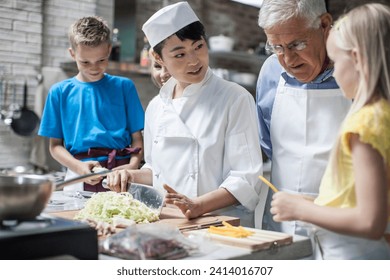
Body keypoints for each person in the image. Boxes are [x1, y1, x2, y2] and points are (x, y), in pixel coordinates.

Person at [106, 1, 265, 227]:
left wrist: (198, 205)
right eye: (180, 54)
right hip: (168, 221)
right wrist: (131, 176)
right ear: (159, 59)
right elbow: (155, 170)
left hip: (220, 224)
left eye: (198, 46)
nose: (194, 60)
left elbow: (246, 177)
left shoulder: (234, 98)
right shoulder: (156, 107)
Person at [270, 3, 390, 260]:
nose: (333, 71)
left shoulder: (365, 124)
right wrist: (311, 205)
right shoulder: (383, 114)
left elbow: (370, 221)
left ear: (357, 59)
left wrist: (301, 210)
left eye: (335, 61)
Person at [256, 0, 351, 233]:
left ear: (325, 24)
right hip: (282, 223)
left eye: (297, 44)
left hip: (344, 224)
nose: (288, 60)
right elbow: (268, 143)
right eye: (277, 47)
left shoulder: (355, 71)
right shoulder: (270, 72)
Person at [38, 16, 145, 192]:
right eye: (85, 62)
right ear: (72, 54)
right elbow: (55, 146)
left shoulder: (124, 87)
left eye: (101, 60)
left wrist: (132, 166)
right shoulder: (59, 92)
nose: (94, 68)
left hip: (121, 176)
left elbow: (137, 139)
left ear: (109, 50)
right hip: (79, 173)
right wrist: (79, 167)